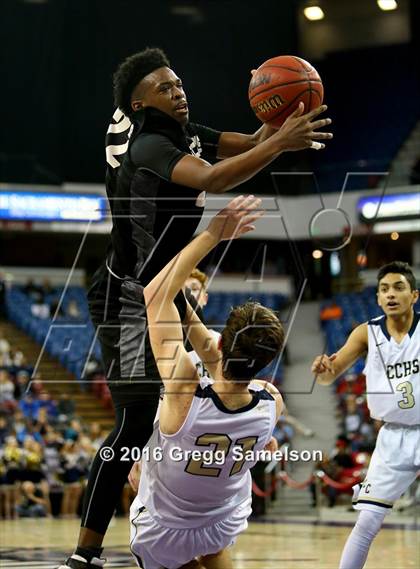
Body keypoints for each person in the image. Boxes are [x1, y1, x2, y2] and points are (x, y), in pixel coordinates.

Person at [59, 47, 332, 569]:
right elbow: (213, 179)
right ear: (140, 105)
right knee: (136, 422)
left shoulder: (184, 132)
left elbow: (249, 142)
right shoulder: (150, 145)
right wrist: (279, 144)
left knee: (191, 385)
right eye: (165, 87)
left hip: (165, 285)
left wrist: (282, 122)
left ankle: (178, 503)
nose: (179, 90)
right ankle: (86, 553)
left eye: (179, 82)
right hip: (127, 294)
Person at [130, 195, 283, 568]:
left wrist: (213, 232)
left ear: (221, 343)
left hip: (165, 522)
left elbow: (152, 297)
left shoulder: (184, 391)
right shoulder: (271, 401)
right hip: (220, 517)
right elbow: (219, 363)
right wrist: (182, 305)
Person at [311, 261, 419, 569]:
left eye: (399, 287)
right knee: (367, 522)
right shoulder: (366, 334)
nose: (390, 294)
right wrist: (323, 370)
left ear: (414, 295)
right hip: (392, 437)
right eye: (384, 289)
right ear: (377, 298)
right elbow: (329, 376)